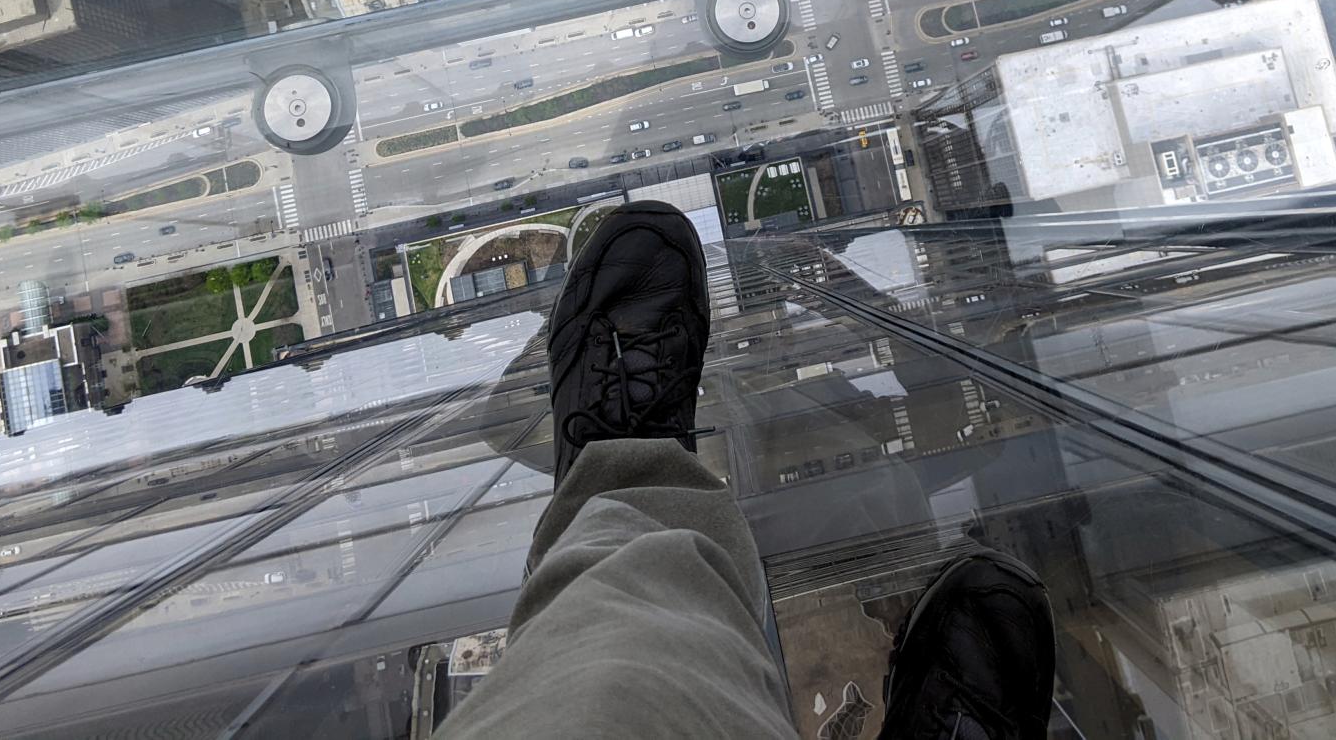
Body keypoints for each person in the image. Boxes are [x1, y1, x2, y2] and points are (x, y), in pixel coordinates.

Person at [436, 202, 1057, 739]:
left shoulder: (879, 497)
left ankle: (622, 472)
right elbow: (939, 402)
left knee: (615, 667)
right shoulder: (888, 503)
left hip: (670, 548)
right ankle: (623, 479)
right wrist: (827, 279)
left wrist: (562, 347)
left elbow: (497, 423)